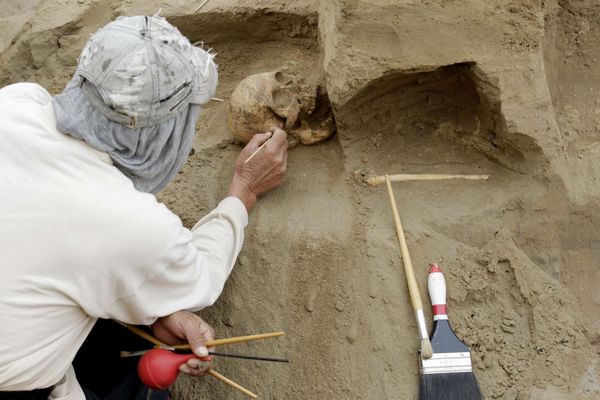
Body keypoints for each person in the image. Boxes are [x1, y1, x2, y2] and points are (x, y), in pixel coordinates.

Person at [0, 15, 288, 400]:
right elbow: (198, 275)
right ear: (156, 131)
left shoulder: (16, 102)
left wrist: (157, 312)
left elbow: (41, 249)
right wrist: (244, 191)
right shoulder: (129, 223)